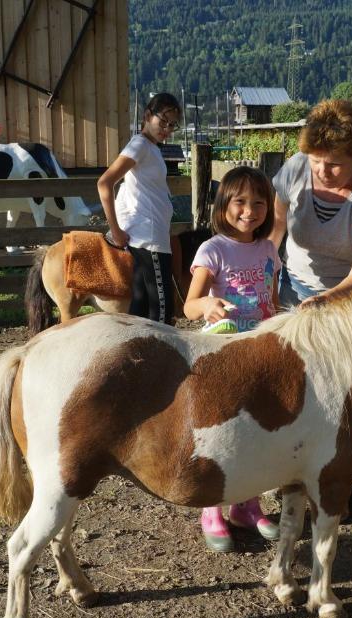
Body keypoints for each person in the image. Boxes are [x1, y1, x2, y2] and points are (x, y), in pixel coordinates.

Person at [183, 166, 281, 551]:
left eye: (259, 203)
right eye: (240, 201)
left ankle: (247, 504)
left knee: (258, 433)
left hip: (260, 353)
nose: (249, 210)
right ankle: (212, 508)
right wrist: (207, 304)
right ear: (223, 205)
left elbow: (269, 300)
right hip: (222, 355)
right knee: (221, 433)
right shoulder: (213, 250)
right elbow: (190, 305)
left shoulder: (269, 249)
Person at [270, 99, 352, 309]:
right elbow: (275, 229)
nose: (322, 171)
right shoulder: (295, 167)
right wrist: (264, 276)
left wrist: (325, 300)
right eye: (314, 160)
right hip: (292, 286)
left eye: (334, 164)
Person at [97, 93, 181, 324]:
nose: (166, 128)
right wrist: (115, 230)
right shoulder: (140, 144)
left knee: (141, 310)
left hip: (152, 237)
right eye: (162, 121)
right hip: (149, 238)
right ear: (147, 116)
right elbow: (105, 183)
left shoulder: (150, 148)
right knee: (161, 312)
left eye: (172, 124)